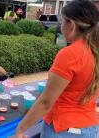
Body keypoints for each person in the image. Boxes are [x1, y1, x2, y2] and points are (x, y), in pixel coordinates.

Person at [16, 0, 99, 138]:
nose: (60, 27)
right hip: (91, 128)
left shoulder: (70, 54)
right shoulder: (95, 51)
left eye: (62, 22)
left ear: (71, 25)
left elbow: (46, 102)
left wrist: (20, 130)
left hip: (64, 129)